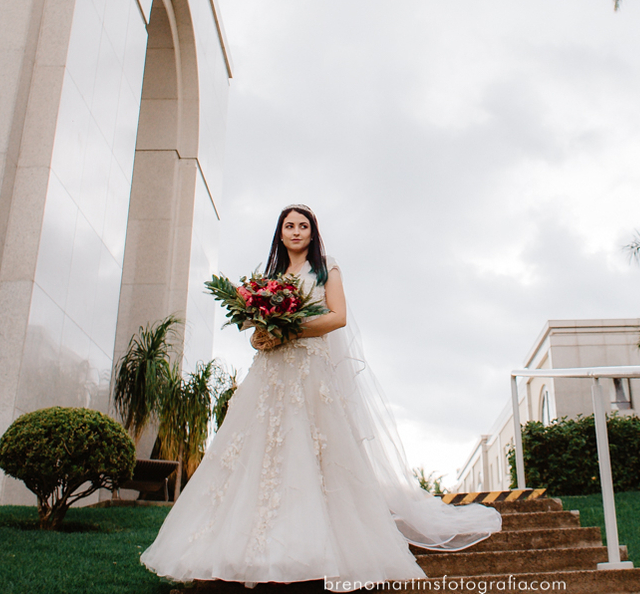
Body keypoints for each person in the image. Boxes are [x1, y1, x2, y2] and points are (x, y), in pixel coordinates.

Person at [140, 204, 500, 589]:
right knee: (255, 452)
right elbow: (257, 327)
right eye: (289, 225)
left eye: (303, 226)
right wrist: (260, 335)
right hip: (271, 374)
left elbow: (337, 317)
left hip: (310, 373)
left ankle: (317, 546)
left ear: (312, 233)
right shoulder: (269, 278)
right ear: (280, 234)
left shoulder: (327, 269)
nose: (296, 231)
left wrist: (289, 330)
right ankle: (242, 549)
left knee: (311, 452)